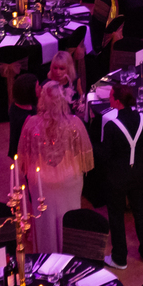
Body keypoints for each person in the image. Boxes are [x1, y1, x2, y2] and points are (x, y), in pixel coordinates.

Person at [19, 81, 93, 254]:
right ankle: (70, 255)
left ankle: (46, 256)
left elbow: (23, 158)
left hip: (41, 181)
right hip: (69, 179)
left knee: (44, 222)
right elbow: (86, 157)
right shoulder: (75, 123)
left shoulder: (31, 124)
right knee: (70, 221)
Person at [99, 82, 143, 266]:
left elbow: (106, 155)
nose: (109, 99)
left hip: (116, 177)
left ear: (116, 101)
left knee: (116, 216)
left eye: (110, 97)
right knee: (141, 212)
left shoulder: (111, 126)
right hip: (139, 173)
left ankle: (119, 258)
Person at [8, 73, 37, 159]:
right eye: (38, 86)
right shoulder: (27, 118)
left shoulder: (15, 105)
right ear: (30, 93)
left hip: (16, 146)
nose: (41, 88)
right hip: (25, 153)